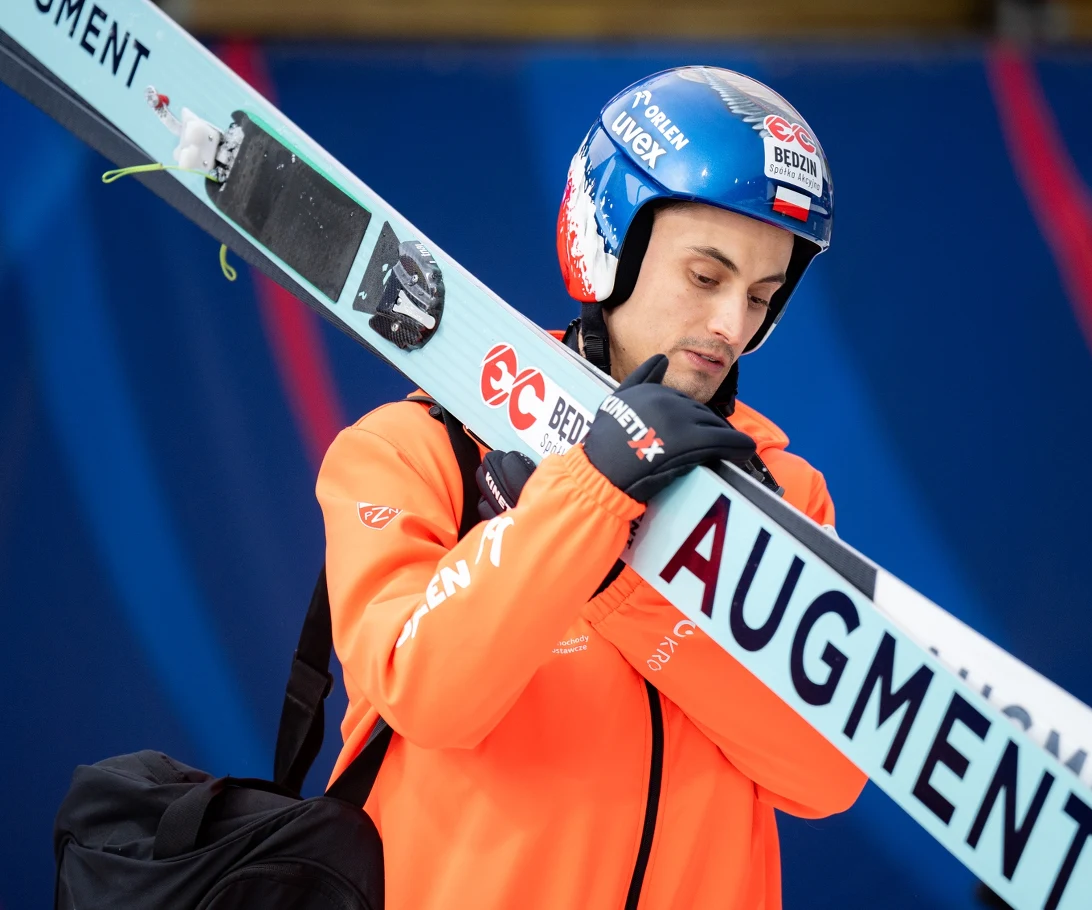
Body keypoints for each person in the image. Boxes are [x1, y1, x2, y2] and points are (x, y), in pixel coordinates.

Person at [316, 67, 866, 910]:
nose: (733, 326)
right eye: (706, 277)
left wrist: (627, 576)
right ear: (611, 244)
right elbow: (427, 694)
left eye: (761, 296)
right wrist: (582, 501)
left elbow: (827, 774)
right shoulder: (413, 449)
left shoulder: (785, 495)